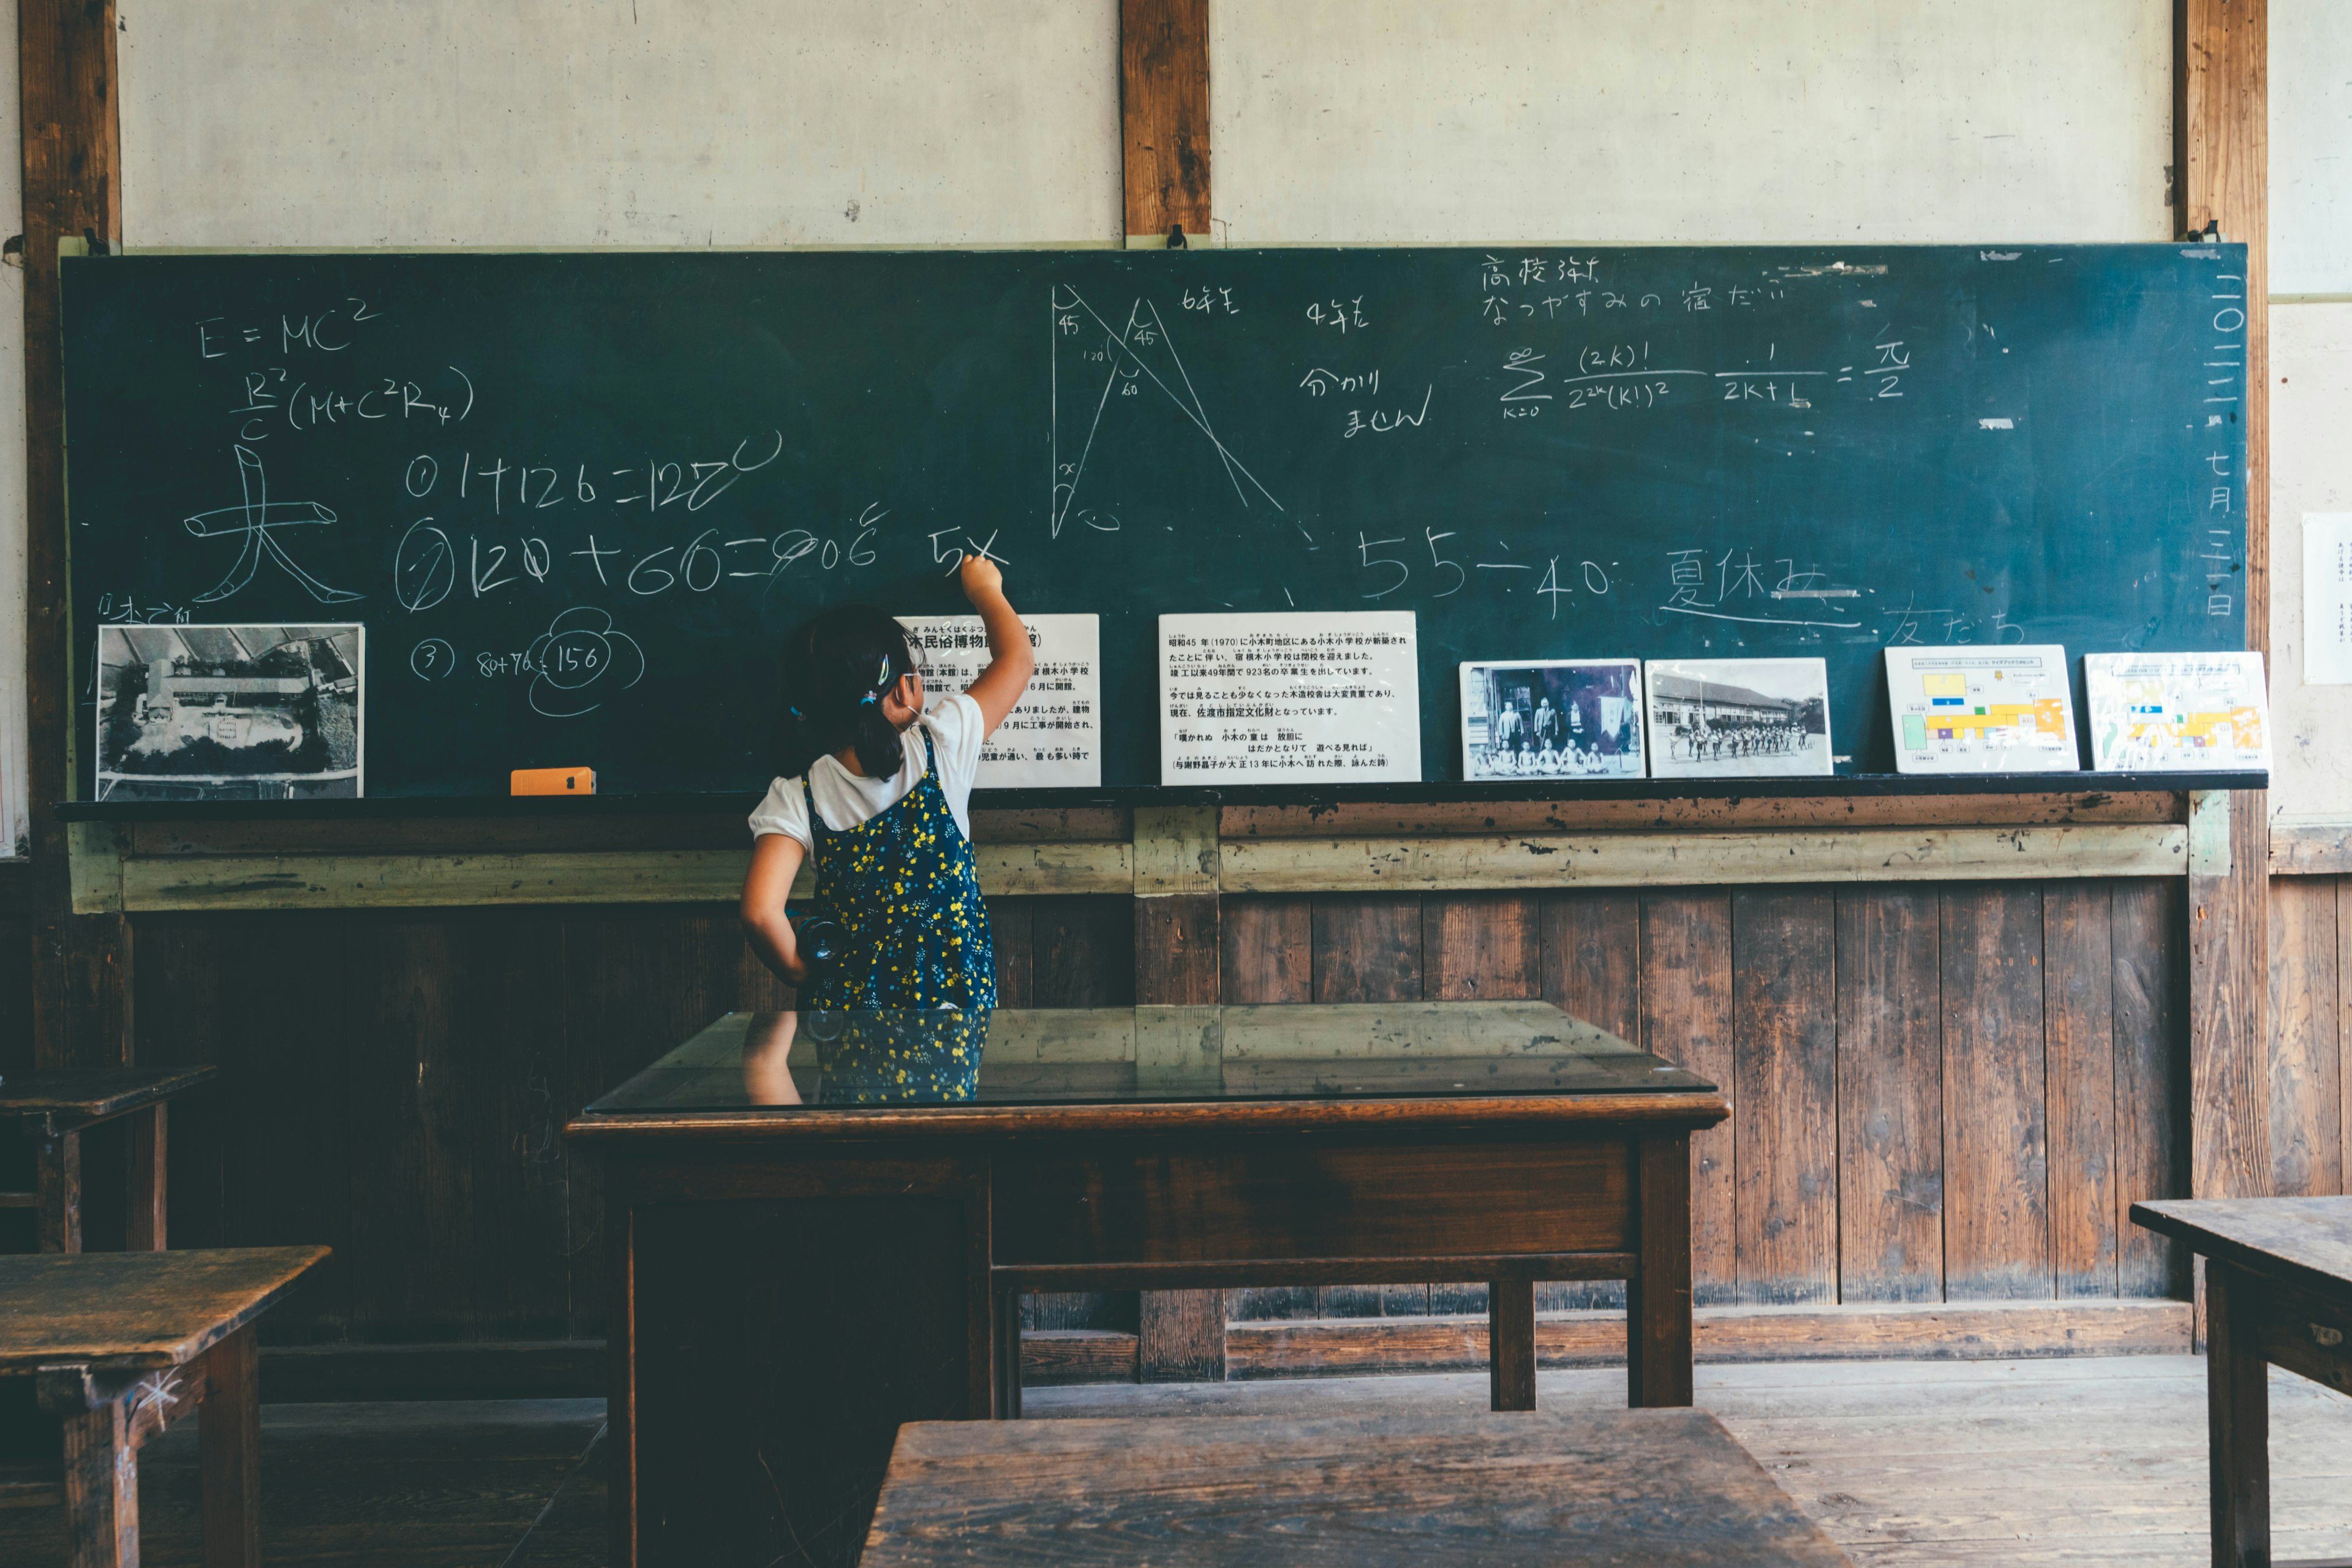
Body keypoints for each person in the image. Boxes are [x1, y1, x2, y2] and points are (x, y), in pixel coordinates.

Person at [739, 555, 1034, 1014]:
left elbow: (760, 913)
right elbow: (1017, 660)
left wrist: (801, 972)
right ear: (901, 691)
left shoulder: (798, 796)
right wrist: (985, 590)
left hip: (849, 1018)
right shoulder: (941, 746)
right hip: (949, 1014)